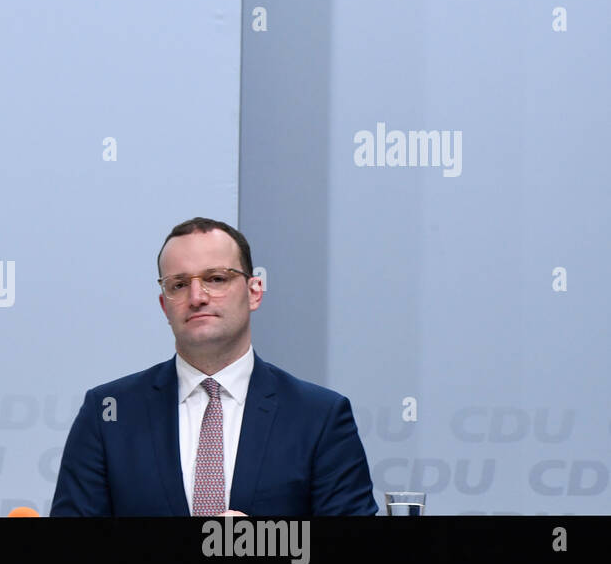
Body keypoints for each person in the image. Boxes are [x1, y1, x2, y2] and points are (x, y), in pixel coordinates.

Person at [52, 217, 376, 517]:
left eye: (216, 278)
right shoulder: (109, 412)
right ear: (165, 305)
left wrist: (264, 545)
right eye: (178, 284)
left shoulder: (319, 416)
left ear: (254, 292)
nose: (197, 296)